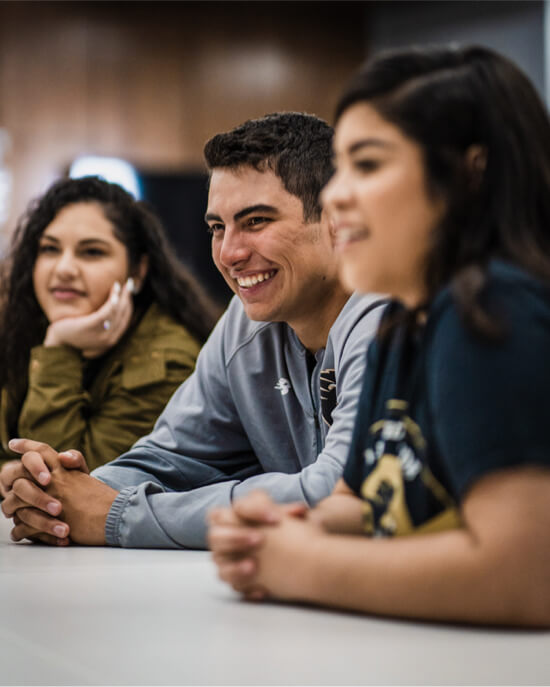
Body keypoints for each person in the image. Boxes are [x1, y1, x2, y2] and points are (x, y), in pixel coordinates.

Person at [207, 46, 550, 627]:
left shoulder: (493, 311)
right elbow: (358, 501)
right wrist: (279, 530)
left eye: (367, 166)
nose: (336, 197)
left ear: (470, 173)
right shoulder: (401, 326)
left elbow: (526, 575)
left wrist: (298, 566)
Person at [1, 113, 386, 548]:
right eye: (217, 227)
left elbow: (340, 490)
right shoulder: (245, 322)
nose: (229, 253)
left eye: (256, 221)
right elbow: (168, 459)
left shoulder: (389, 313)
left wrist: (118, 515)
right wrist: (54, 493)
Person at [0, 176, 218, 503]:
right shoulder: (22, 325)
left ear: (137, 271)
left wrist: (59, 349)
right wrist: (7, 473)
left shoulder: (168, 358)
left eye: (91, 252)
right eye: (49, 249)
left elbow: (73, 492)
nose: (63, 268)